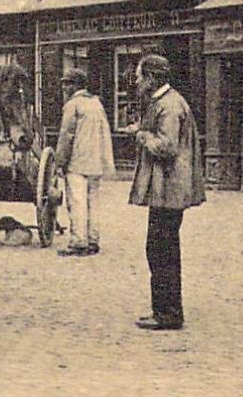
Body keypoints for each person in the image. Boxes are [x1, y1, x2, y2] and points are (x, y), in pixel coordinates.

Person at [124, 53, 205, 332]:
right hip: (166, 190)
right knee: (161, 249)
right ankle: (166, 310)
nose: (136, 82)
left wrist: (142, 135)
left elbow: (168, 146)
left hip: (169, 189)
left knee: (161, 250)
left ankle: (168, 314)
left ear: (151, 78)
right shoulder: (165, 102)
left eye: (138, 77)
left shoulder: (169, 106)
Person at [53, 68, 115, 256]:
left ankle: (78, 242)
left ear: (76, 85)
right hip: (95, 161)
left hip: (77, 161)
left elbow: (66, 136)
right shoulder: (96, 103)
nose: (64, 87)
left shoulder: (73, 105)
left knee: (77, 202)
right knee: (93, 202)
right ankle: (93, 240)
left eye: (67, 83)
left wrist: (60, 162)